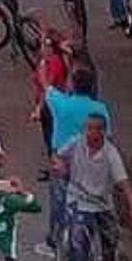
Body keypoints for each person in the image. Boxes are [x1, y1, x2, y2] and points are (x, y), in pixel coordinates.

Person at [54, 113, 132, 261]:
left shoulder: (110, 153)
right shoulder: (76, 143)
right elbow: (58, 156)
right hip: (78, 200)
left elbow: (124, 182)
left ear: (102, 132)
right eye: (87, 128)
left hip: (102, 204)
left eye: (94, 129)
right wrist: (60, 166)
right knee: (79, 241)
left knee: (111, 242)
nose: (89, 133)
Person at [37, 63, 111, 251]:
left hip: (63, 161)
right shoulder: (100, 109)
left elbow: (45, 85)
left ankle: (54, 240)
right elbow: (107, 136)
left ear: (72, 84)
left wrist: (44, 63)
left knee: (59, 201)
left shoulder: (62, 103)